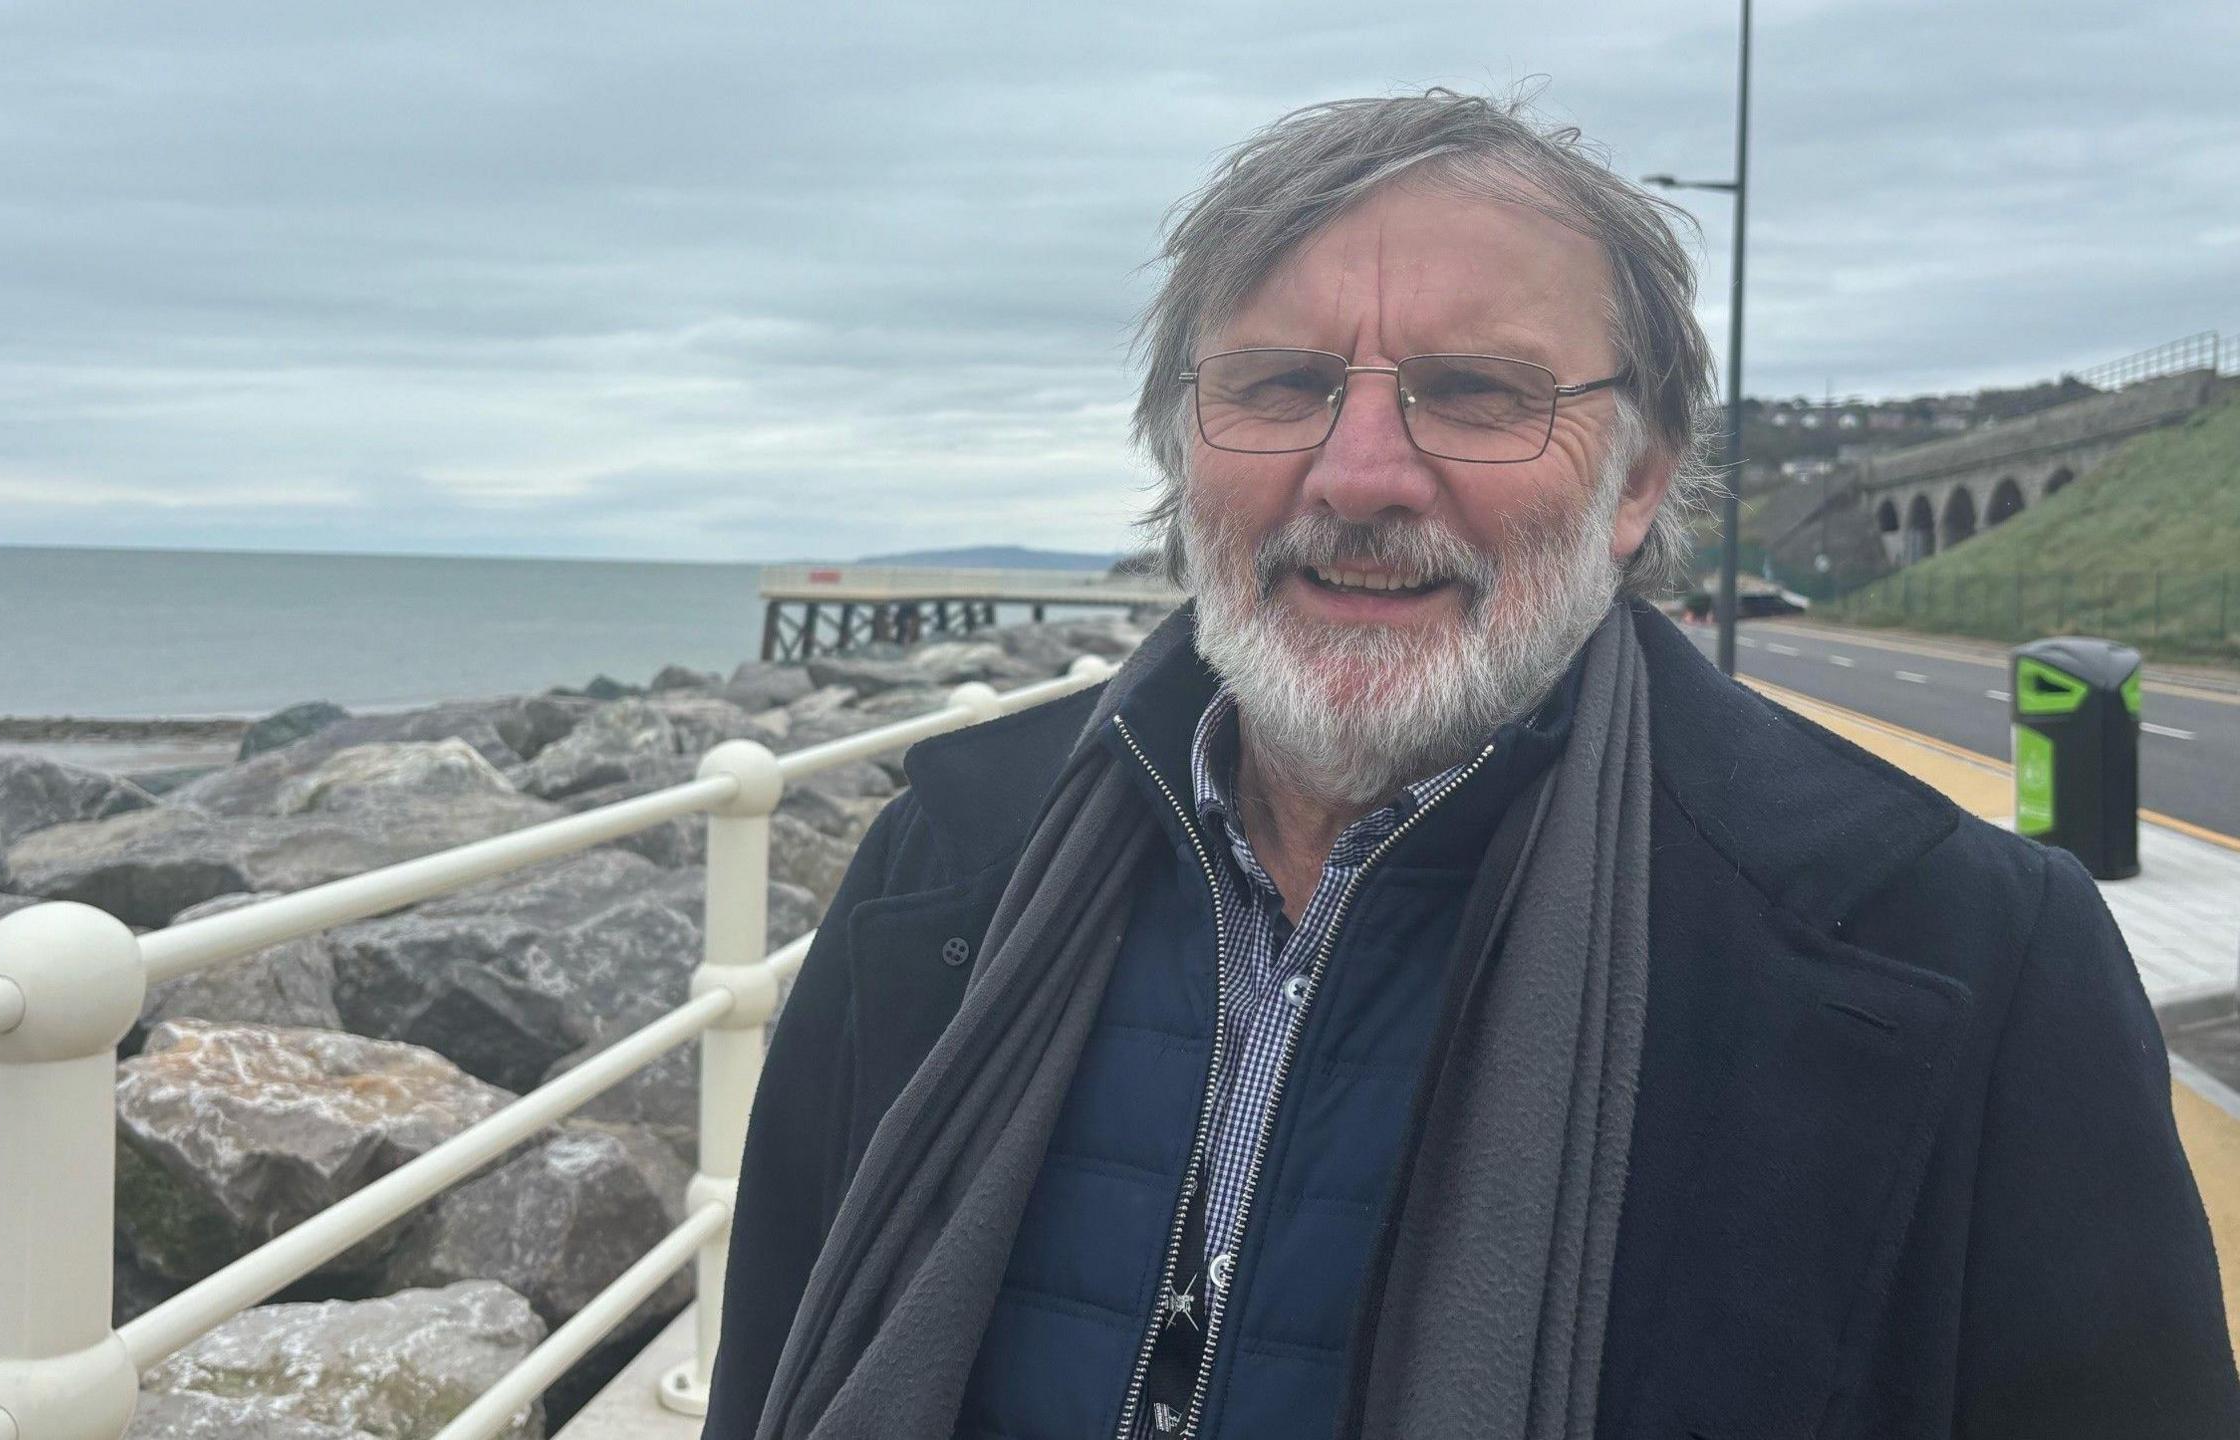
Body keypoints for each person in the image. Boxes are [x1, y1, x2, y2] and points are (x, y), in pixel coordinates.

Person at [702, 90, 2239, 1440]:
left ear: (1637, 481)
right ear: (1185, 445)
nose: (1360, 472)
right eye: (1281, 384)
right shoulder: (949, 864)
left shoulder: (1960, 961)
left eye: (1480, 393)